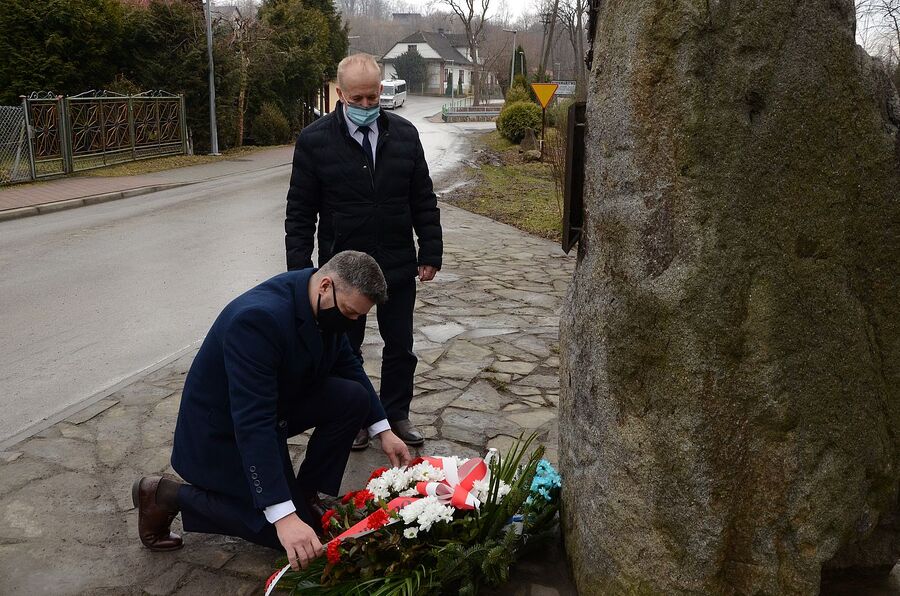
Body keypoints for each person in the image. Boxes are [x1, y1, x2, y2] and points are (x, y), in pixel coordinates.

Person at [132, 251, 411, 571]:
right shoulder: (258, 320)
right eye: (349, 312)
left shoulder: (323, 300)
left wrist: (383, 430)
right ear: (325, 285)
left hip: (275, 408)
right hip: (222, 434)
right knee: (297, 537)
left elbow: (348, 365)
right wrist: (284, 516)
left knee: (353, 398)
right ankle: (166, 495)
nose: (352, 322)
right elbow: (253, 422)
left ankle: (305, 494)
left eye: (358, 316)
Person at [284, 53, 442, 452]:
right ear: (340, 94)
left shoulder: (404, 135)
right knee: (343, 348)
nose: (368, 106)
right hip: (343, 270)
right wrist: (299, 271)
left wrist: (431, 250)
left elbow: (423, 198)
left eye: (374, 97)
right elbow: (300, 213)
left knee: (400, 344)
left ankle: (395, 413)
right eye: (358, 100)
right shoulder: (315, 141)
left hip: (396, 261)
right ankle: (355, 416)